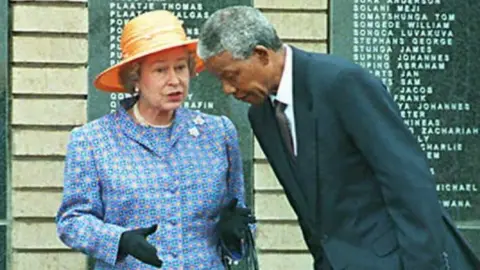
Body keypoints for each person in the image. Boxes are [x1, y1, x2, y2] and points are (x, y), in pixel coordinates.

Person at [196, 6, 480, 270]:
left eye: (231, 75)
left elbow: (408, 183)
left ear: (261, 55)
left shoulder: (342, 83)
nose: (227, 89)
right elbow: (310, 208)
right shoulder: (261, 116)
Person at [55, 10, 254, 270]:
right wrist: (119, 240)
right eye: (161, 70)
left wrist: (233, 232)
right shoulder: (93, 141)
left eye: (181, 67)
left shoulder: (217, 133)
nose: (175, 80)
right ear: (135, 77)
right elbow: (72, 221)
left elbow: (240, 213)